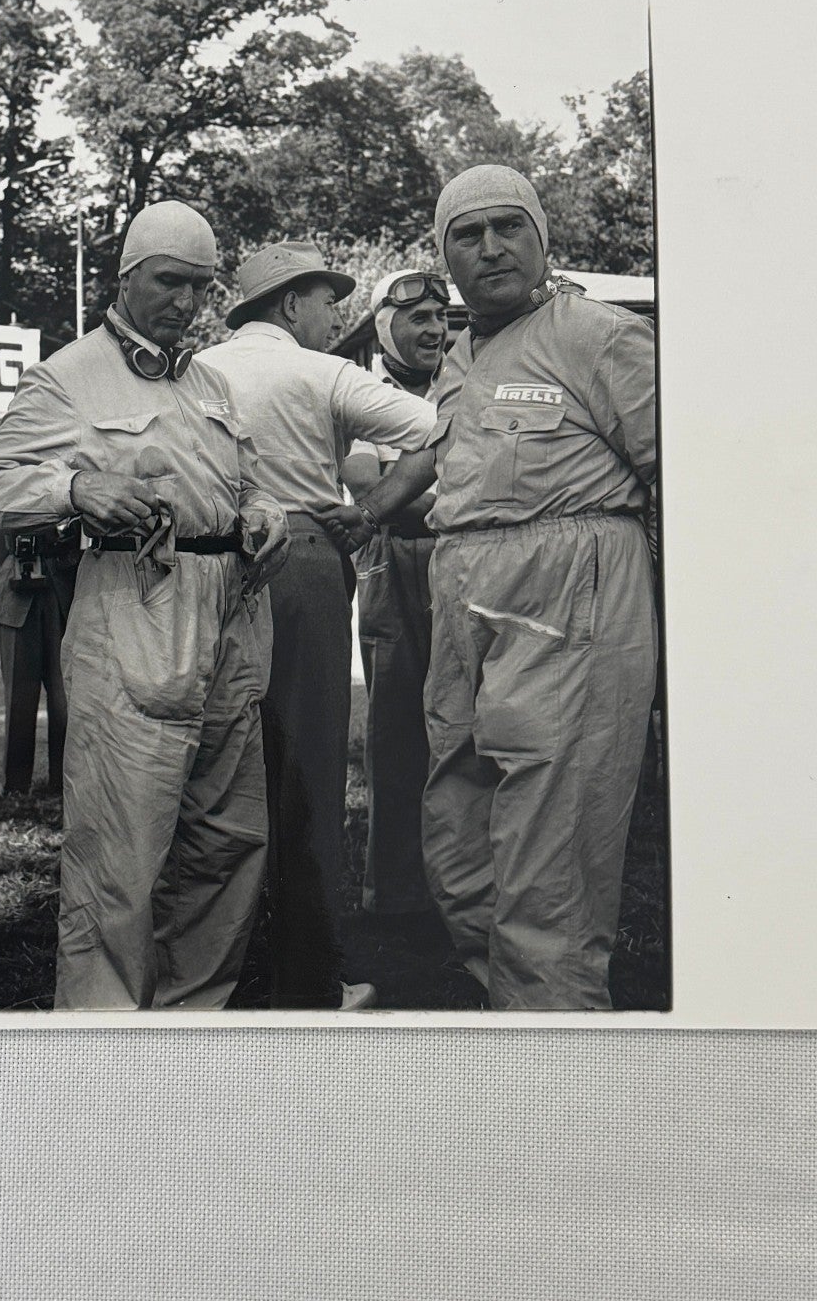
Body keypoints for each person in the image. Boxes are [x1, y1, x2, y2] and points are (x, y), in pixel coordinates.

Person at [323, 164, 658, 1010]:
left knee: (551, 847)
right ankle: (511, 1007)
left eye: (510, 227)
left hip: (572, 595)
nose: (491, 248)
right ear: (446, 256)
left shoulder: (600, 335)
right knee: (458, 841)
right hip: (466, 598)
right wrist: (367, 513)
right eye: (467, 236)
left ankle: (556, 1030)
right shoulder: (462, 354)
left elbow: (682, 476)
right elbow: (437, 452)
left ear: (542, 237)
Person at [0, 200, 289, 1011]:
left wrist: (265, 515)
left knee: (227, 840)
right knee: (120, 851)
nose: (186, 302)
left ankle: (190, 1018)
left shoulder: (211, 383)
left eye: (201, 287)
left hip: (230, 618)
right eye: (170, 282)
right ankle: (103, 1033)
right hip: (132, 610)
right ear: (127, 276)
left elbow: (249, 484)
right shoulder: (69, 376)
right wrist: (75, 488)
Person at [197, 242, 438, 1010]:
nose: (335, 317)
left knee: (216, 770)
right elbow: (440, 429)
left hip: (203, 564)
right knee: (308, 770)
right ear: (291, 304)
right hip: (301, 554)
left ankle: (211, 968)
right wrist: (373, 509)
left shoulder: (194, 371)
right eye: (328, 302)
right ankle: (307, 979)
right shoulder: (320, 371)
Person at [341, 269, 450, 920]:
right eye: (419, 318)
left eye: (440, 318)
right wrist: (466, 502)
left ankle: (460, 889)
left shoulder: (463, 382)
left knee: (464, 728)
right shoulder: (361, 394)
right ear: (386, 325)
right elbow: (370, 490)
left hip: (461, 566)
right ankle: (394, 895)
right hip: (391, 567)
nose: (435, 330)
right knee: (397, 730)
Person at [0, 522, 78, 795]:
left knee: (64, 697)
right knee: (18, 696)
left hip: (62, 590)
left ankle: (62, 782)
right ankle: (16, 784)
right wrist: (12, 561)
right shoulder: (6, 486)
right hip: (16, 589)